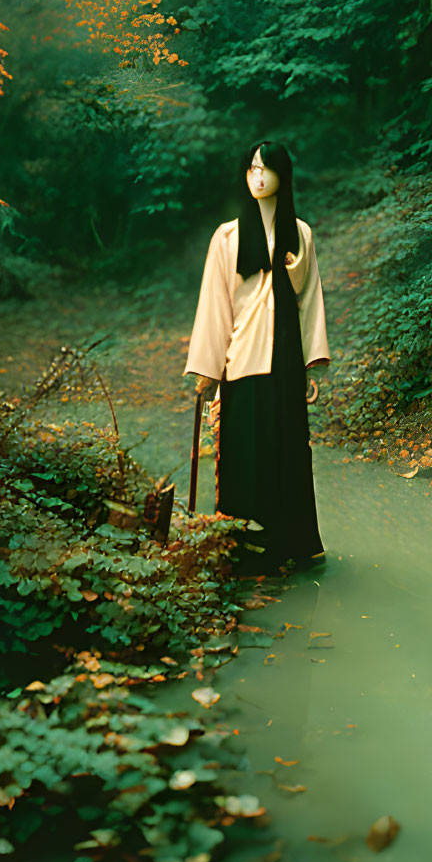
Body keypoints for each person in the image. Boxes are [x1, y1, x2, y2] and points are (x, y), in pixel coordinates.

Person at [184, 140, 328, 574]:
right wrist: (208, 371)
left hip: (285, 355)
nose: (257, 177)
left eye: (265, 170)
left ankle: (290, 539)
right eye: (251, 169)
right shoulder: (227, 236)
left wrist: (309, 363)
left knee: (287, 447)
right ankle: (242, 536)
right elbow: (214, 305)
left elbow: (311, 298)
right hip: (241, 355)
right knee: (245, 446)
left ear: (283, 175)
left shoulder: (300, 233)